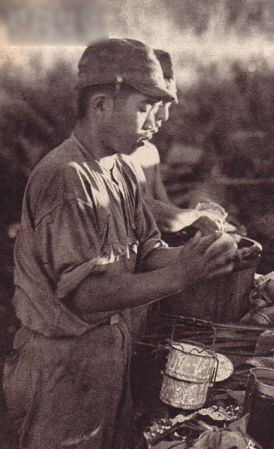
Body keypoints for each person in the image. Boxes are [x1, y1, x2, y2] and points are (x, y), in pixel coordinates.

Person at [2, 38, 238, 449]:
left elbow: (146, 252)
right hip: (61, 369)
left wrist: (198, 256)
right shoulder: (67, 178)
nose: (156, 121)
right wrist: (182, 275)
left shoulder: (121, 169)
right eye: (144, 107)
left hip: (105, 361)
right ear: (101, 105)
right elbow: (86, 296)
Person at [126, 49, 237, 235]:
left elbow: (166, 209)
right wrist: (194, 216)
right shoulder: (114, 155)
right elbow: (150, 212)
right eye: (156, 105)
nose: (164, 115)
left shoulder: (150, 152)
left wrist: (201, 210)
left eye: (169, 105)